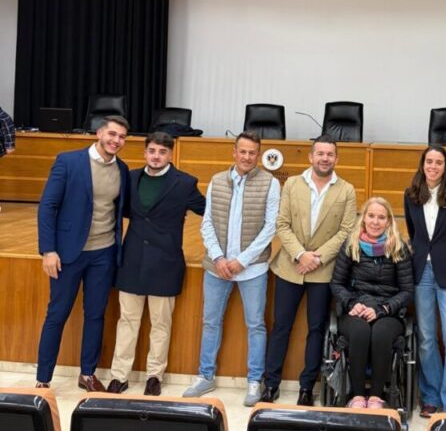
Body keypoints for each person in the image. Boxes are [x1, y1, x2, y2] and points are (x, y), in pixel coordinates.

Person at [183, 131, 280, 406]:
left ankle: (254, 381)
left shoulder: (270, 183)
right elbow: (207, 223)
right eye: (243, 152)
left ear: (258, 156)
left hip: (252, 268)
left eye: (252, 153)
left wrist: (242, 260)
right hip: (218, 267)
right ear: (234, 153)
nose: (247, 157)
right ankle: (205, 376)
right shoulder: (216, 180)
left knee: (256, 325)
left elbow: (270, 227)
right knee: (210, 321)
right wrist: (218, 258)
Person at [107, 132, 206, 395]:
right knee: (127, 321)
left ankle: (154, 375)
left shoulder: (184, 183)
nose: (156, 156)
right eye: (152, 151)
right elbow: (120, 210)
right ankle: (120, 375)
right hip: (132, 260)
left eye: (162, 152)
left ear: (170, 154)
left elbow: (209, 211)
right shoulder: (131, 178)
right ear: (145, 153)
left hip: (166, 262)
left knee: (161, 324)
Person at [36, 115, 130, 390]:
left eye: (122, 137)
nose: (116, 140)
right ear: (99, 133)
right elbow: (47, 207)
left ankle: (87, 374)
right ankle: (43, 380)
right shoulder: (68, 161)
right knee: (57, 315)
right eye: (112, 134)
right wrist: (48, 250)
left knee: (95, 315)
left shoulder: (122, 170)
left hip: (104, 254)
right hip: (67, 254)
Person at [262, 134, 357, 405]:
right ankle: (271, 384)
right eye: (320, 154)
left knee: (316, 329)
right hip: (290, 267)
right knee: (281, 326)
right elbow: (282, 223)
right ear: (311, 157)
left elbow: (346, 230)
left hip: (323, 270)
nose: (324, 158)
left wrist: (317, 257)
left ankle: (306, 388)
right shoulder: (292, 183)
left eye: (329, 154)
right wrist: (301, 254)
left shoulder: (346, 190)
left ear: (336, 159)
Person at [404, 144, 446, 416]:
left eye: (438, 162)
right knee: (426, 339)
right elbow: (413, 232)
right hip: (422, 273)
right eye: (428, 162)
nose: (433, 166)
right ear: (422, 165)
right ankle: (431, 395)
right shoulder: (411, 195)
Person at [330, 197, 414, 409]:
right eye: (371, 216)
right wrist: (351, 304)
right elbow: (337, 283)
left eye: (381, 217)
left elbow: (407, 291)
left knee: (380, 333)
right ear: (364, 218)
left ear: (388, 222)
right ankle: (357, 396)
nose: (375, 221)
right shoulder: (351, 244)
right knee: (360, 332)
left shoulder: (399, 247)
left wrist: (383, 309)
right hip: (356, 307)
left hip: (388, 311)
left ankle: (376, 396)